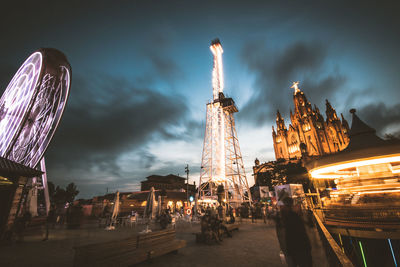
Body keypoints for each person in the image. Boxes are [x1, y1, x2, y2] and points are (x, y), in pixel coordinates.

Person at [280, 197, 312, 267]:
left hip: (296, 246)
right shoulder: (294, 216)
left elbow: (288, 233)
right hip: (301, 246)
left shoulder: (289, 217)